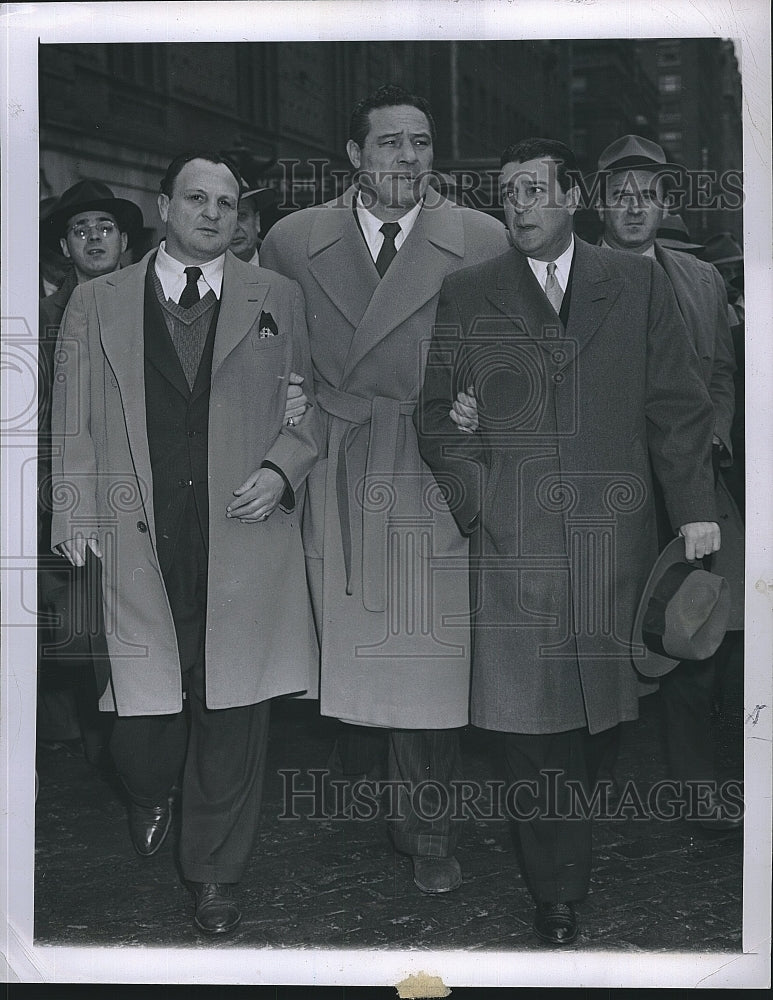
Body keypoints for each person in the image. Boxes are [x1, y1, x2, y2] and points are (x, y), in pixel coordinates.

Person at [416, 138, 719, 945]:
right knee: (530, 731)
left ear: (572, 196)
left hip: (614, 545)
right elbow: (437, 418)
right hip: (514, 549)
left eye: (532, 190)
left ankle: (566, 850)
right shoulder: (468, 292)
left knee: (599, 724)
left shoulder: (634, 283)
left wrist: (693, 507)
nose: (517, 205)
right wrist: (481, 507)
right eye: (506, 192)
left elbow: (676, 404)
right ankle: (557, 888)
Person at [50, 151, 320, 935]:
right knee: (142, 724)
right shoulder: (97, 302)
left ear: (239, 217)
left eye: (227, 203)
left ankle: (214, 876)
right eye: (196, 198)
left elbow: (308, 410)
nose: (212, 213)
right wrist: (71, 512)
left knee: (233, 710)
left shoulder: (279, 297)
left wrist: (282, 467)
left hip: (241, 532)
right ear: (164, 205)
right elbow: (70, 416)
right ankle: (145, 790)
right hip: (134, 532)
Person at [260, 84, 509, 894]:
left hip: (429, 455)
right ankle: (363, 774)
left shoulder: (479, 238)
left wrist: (484, 404)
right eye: (391, 143)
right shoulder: (294, 240)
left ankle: (427, 826)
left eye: (422, 143)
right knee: (349, 644)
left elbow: (514, 353)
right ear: (354, 158)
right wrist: (284, 403)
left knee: (428, 652)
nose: (409, 157)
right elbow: (273, 347)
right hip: (336, 454)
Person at [592, 134, 743, 830]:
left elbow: (717, 371)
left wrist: (713, 429)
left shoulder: (702, 281)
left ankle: (696, 789)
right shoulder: (573, 277)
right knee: (600, 637)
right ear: (598, 202)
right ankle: (589, 790)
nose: (632, 207)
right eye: (618, 194)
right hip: (607, 491)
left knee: (695, 629)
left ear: (665, 203)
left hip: (691, 490)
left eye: (646, 194)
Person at [38, 180, 144, 762]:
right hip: (70, 497)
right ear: (65, 246)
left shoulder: (152, 305)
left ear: (125, 240)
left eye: (104, 227)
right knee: (81, 629)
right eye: (81, 230)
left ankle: (134, 750)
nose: (94, 238)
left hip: (143, 492)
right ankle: (101, 739)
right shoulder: (43, 320)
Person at [229, 185, 277, 265]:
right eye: (227, 219)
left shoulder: (282, 267)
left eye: (242, 215)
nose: (235, 228)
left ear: (257, 221)